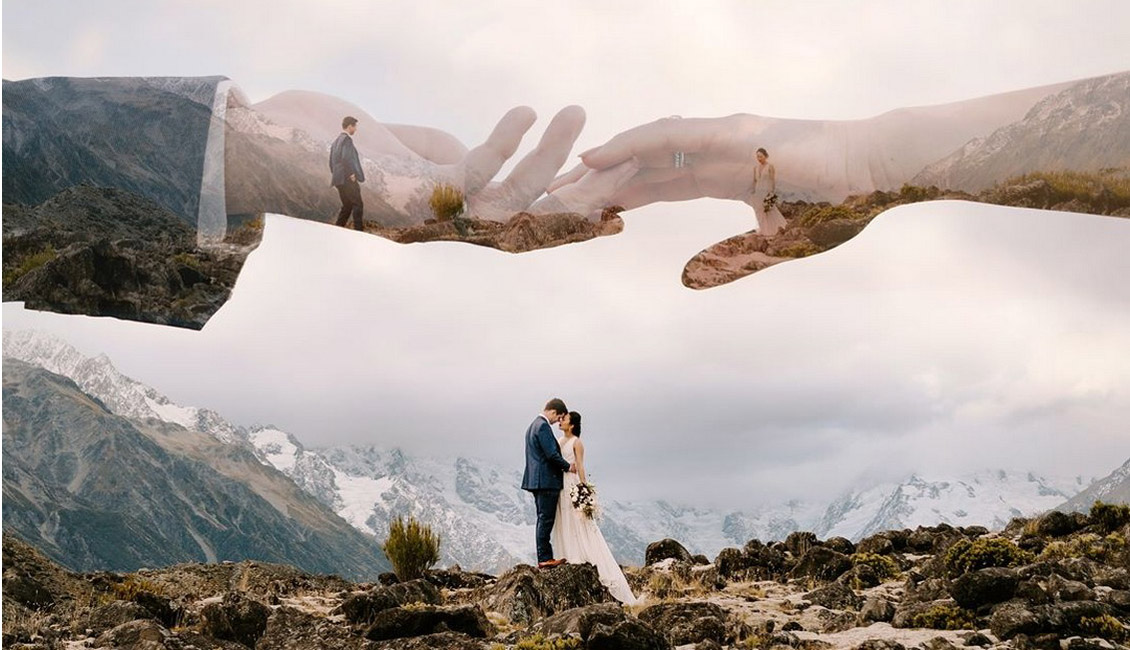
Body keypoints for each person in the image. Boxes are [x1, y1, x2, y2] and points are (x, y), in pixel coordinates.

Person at [550, 411, 639, 604]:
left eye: (564, 419)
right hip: (560, 484)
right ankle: (567, 555)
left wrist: (584, 490)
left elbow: (580, 466)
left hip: (571, 483)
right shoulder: (559, 440)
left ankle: (582, 557)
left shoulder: (576, 442)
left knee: (577, 520)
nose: (560, 421)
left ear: (572, 424)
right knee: (564, 519)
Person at [520, 397, 576, 569]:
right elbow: (551, 454)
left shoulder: (532, 426)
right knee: (546, 519)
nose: (557, 422)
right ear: (553, 411)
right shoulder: (543, 426)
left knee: (543, 518)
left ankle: (545, 557)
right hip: (546, 480)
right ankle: (545, 558)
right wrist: (568, 467)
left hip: (537, 480)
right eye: (558, 417)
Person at [329, 115, 365, 231]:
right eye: (355, 127)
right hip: (347, 178)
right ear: (350, 126)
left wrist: (336, 174)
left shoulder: (335, 142)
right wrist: (351, 174)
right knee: (357, 204)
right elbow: (347, 158)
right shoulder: (347, 140)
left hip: (338, 179)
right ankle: (359, 232)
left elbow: (331, 162)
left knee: (347, 206)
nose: (355, 130)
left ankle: (338, 230)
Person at [752, 147, 787, 236]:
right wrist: (754, 192)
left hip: (767, 191)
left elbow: (772, 180)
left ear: (765, 156)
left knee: (769, 210)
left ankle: (775, 228)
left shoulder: (770, 166)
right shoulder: (755, 168)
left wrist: (771, 193)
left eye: (760, 156)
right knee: (759, 211)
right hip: (758, 192)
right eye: (757, 157)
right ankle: (763, 229)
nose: (759, 158)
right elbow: (755, 181)